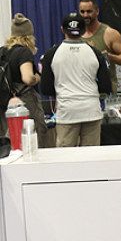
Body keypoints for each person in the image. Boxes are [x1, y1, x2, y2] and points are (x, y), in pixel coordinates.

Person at [40, 13, 112, 147]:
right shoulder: (96, 53)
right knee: (91, 155)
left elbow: (45, 88)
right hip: (91, 110)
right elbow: (106, 86)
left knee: (66, 156)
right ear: (84, 30)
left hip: (67, 111)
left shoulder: (51, 54)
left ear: (62, 29)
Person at [1, 14, 53, 148]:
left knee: (11, 139)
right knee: (36, 135)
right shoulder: (23, 52)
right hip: (25, 100)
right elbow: (27, 78)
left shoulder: (3, 51)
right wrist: (38, 76)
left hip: (5, 101)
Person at [78, 0, 121, 94]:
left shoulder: (110, 33)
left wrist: (109, 57)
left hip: (106, 94)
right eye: (82, 12)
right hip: (84, 93)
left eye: (89, 11)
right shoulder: (76, 35)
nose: (85, 15)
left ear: (97, 11)